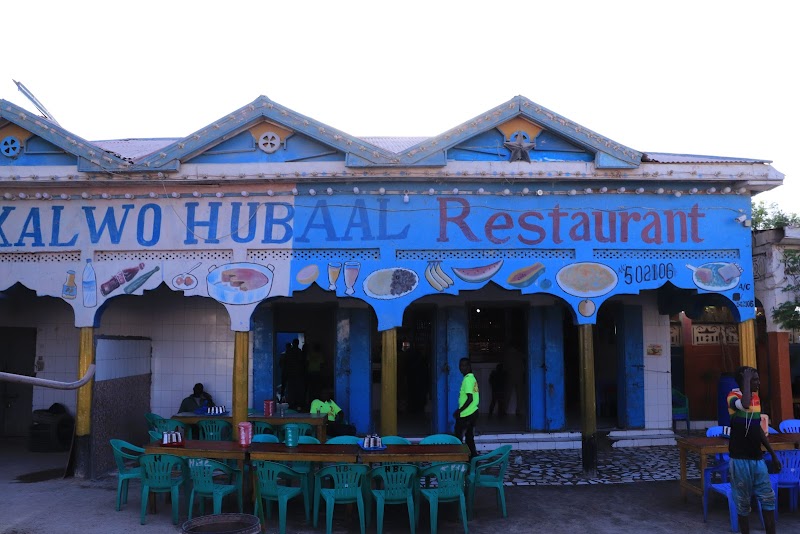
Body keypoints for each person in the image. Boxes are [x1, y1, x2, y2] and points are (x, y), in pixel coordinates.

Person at [727, 366, 781, 534]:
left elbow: (757, 428)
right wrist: (746, 380)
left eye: (757, 379)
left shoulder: (756, 398)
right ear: (744, 382)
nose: (758, 383)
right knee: (743, 504)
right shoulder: (732, 397)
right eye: (754, 380)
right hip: (740, 460)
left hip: (757, 459)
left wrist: (773, 454)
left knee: (768, 500)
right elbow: (744, 404)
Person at [453, 357, 479, 458]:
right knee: (469, 438)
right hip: (472, 412)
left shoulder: (467, 379)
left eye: (464, 365)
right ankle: (472, 458)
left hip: (466, 414)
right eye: (460, 365)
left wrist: (459, 411)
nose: (462, 368)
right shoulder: (472, 378)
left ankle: (459, 457)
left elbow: (470, 399)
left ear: (469, 366)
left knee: (458, 438)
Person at [281, 338, 307, 410]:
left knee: (291, 389)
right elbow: (302, 362)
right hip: (298, 373)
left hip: (290, 373)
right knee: (297, 389)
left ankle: (292, 403)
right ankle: (297, 403)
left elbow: (284, 362)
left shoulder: (289, 351)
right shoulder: (299, 352)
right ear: (298, 343)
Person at [503, 342, 526, 416]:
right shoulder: (519, 354)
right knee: (519, 394)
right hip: (519, 375)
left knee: (508, 393)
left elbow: (505, 367)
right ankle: (518, 411)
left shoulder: (507, 354)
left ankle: (504, 410)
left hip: (510, 375)